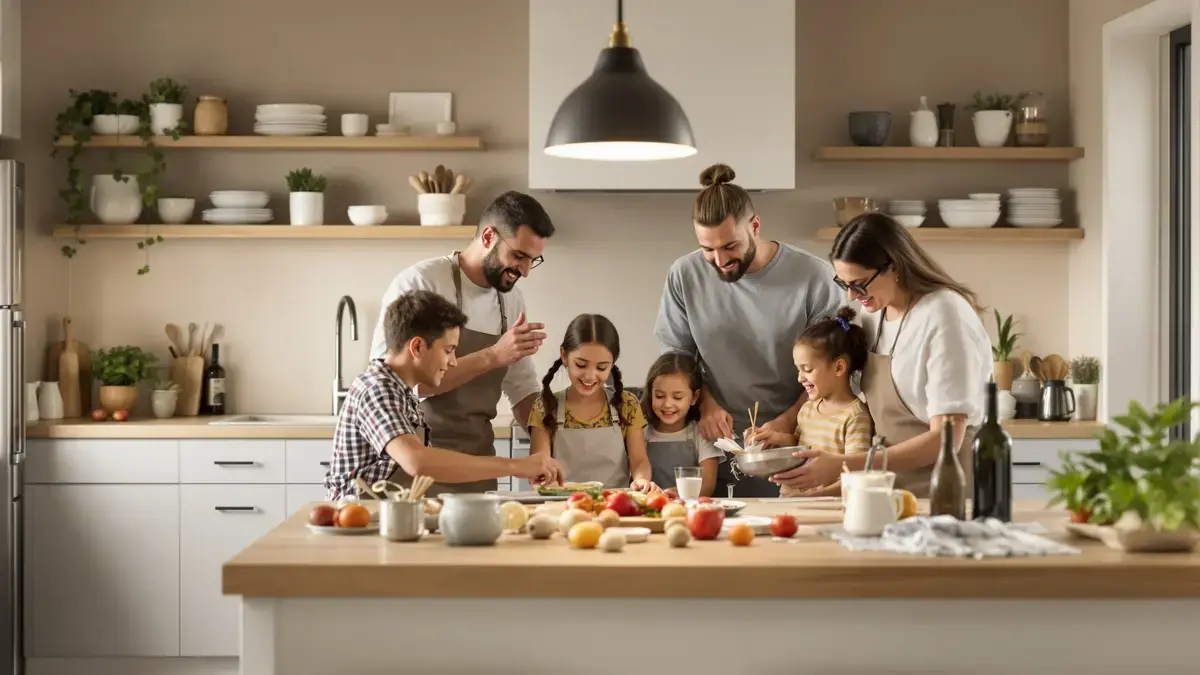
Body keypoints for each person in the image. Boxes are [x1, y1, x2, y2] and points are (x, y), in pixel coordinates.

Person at [654, 162, 843, 497]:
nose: (719, 260)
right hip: (712, 441)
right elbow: (677, 357)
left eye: (730, 246)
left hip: (794, 440)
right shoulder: (684, 274)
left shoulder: (815, 277)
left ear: (754, 226)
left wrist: (789, 420)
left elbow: (833, 370)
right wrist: (707, 404)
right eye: (707, 249)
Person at [771, 212, 992, 498]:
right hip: (889, 483)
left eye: (859, 283)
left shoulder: (945, 315)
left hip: (945, 486)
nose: (852, 296)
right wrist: (790, 431)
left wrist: (844, 464)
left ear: (894, 266)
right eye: (845, 284)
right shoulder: (874, 314)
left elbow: (946, 439)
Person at [368, 191, 555, 494]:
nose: (525, 271)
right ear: (488, 237)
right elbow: (393, 381)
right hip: (416, 475)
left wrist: (541, 449)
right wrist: (493, 355)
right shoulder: (421, 283)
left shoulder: (512, 300)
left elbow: (523, 388)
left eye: (532, 260)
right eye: (519, 256)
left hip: (478, 470)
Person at [325, 291, 562, 499]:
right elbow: (416, 461)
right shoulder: (377, 390)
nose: (453, 361)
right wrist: (515, 466)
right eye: (448, 350)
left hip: (386, 517)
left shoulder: (400, 391)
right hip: (359, 521)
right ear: (417, 347)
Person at [755, 306, 873, 498]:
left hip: (825, 506)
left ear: (839, 367)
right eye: (798, 370)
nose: (800, 378)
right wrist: (776, 439)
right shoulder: (808, 409)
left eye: (807, 369)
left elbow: (856, 475)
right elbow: (802, 445)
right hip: (791, 502)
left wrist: (813, 496)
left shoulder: (854, 416)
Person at [528, 314, 653, 491]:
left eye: (601, 367)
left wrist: (641, 479)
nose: (590, 376)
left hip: (614, 503)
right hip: (562, 502)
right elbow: (540, 465)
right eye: (581, 365)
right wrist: (546, 482)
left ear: (612, 364)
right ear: (564, 355)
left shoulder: (627, 404)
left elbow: (639, 461)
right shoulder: (544, 407)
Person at [641, 352, 724, 497]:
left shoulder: (702, 434)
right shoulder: (642, 432)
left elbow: (707, 485)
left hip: (690, 507)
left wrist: (672, 495)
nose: (667, 404)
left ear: (694, 397)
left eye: (677, 397)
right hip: (650, 505)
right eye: (659, 396)